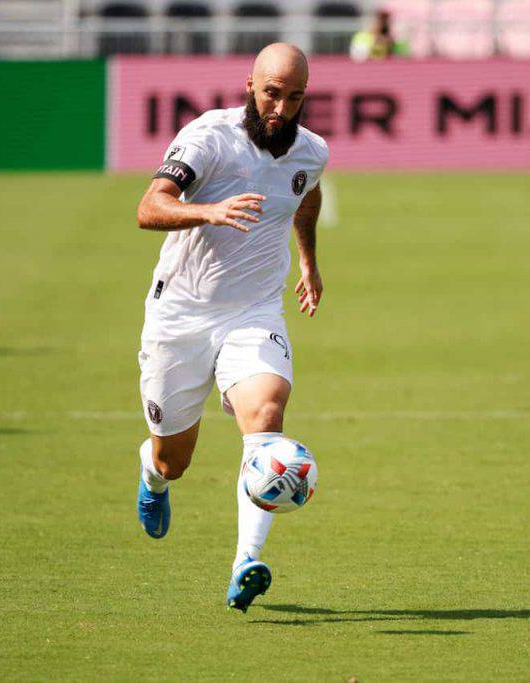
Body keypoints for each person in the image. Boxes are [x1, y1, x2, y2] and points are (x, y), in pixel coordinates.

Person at [134, 42, 328, 613]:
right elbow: (150, 206)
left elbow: (306, 198)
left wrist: (310, 262)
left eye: (293, 98)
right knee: (176, 458)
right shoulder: (209, 137)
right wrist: (207, 210)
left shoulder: (312, 150)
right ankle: (153, 476)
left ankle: (247, 560)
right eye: (271, 93)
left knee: (266, 416)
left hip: (254, 311)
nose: (280, 107)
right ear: (250, 84)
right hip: (181, 314)